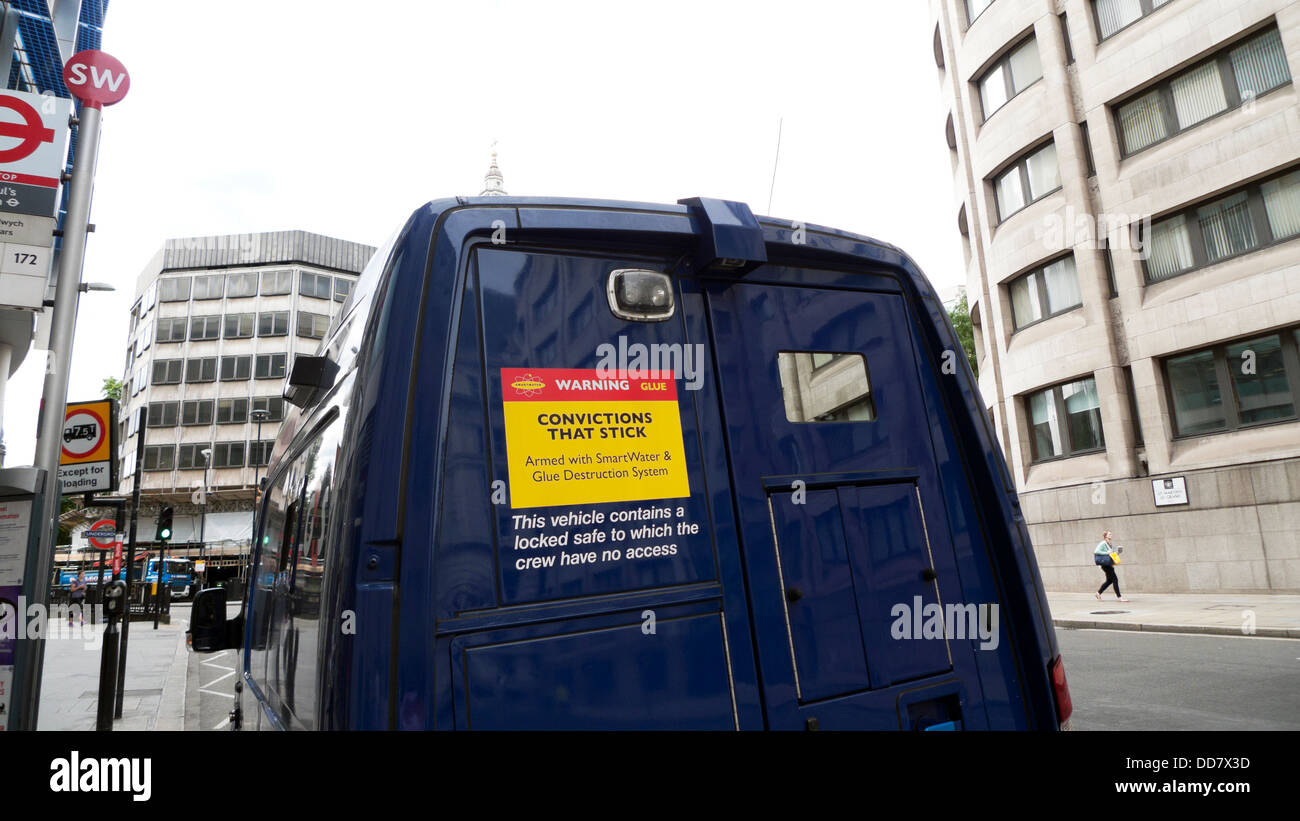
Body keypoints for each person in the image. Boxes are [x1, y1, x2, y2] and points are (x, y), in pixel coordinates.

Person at [1094, 531, 1127, 602]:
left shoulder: (1110, 544)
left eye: (1111, 534)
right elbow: (1096, 551)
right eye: (1109, 534)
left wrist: (1118, 552)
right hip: (1104, 564)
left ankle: (1098, 593)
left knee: (1109, 581)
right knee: (1115, 579)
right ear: (1105, 536)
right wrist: (1106, 552)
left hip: (1108, 564)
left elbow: (1112, 555)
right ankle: (1120, 597)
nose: (1111, 535)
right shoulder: (1103, 543)